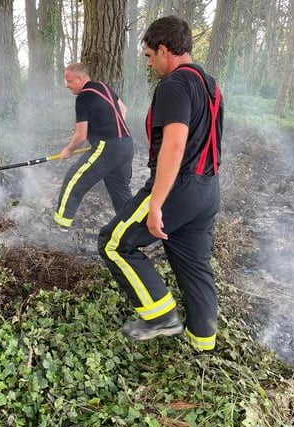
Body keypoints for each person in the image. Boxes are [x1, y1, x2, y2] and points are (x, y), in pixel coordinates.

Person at [98, 16, 223, 352]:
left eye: (150, 56)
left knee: (113, 242)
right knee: (195, 266)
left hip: (177, 188)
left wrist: (156, 202)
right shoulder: (210, 85)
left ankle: (161, 317)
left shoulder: (174, 86)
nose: (149, 64)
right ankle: (203, 344)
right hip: (208, 190)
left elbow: (175, 144)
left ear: (165, 50)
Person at [54, 62, 134, 228]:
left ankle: (60, 226)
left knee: (73, 179)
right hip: (126, 145)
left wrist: (68, 150)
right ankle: (131, 229)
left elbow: (81, 135)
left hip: (108, 147)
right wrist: (112, 130)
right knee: (120, 189)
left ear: (80, 78)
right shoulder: (103, 87)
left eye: (69, 81)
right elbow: (123, 109)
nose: (66, 85)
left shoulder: (83, 98)